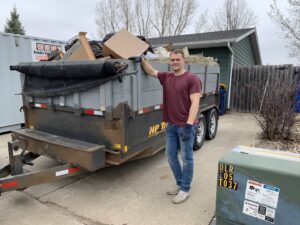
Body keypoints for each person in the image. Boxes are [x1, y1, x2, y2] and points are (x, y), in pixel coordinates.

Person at [141, 49, 202, 204]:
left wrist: (189, 125)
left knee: (187, 158)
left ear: (184, 61)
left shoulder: (192, 79)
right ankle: (180, 183)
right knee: (170, 156)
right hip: (171, 125)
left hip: (186, 126)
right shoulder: (167, 77)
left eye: (177, 59)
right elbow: (151, 71)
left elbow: (195, 102)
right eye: (172, 60)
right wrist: (141, 60)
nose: (175, 62)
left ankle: (185, 189)